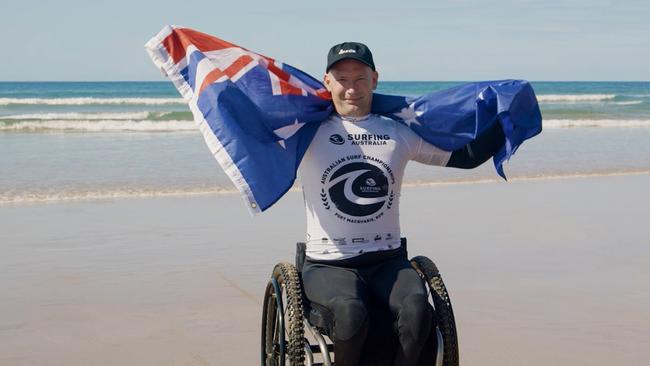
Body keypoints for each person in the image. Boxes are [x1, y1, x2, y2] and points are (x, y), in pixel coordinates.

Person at [297, 42, 505, 366]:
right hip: (328, 263)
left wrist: (507, 118)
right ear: (327, 82)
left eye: (360, 78)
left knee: (417, 311)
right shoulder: (303, 132)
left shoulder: (397, 131)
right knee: (350, 313)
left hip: (388, 260)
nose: (351, 88)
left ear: (375, 80)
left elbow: (465, 156)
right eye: (342, 79)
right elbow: (249, 132)